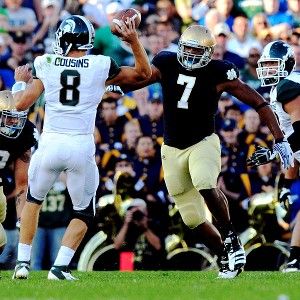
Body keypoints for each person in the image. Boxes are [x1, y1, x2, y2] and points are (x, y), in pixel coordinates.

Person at [119, 25, 293, 278]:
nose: (189, 54)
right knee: (191, 218)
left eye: (196, 50)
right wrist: (116, 87)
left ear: (209, 53)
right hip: (171, 149)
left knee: (204, 181)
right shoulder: (166, 62)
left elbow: (259, 102)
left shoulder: (218, 72)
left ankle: (232, 238)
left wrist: (279, 138)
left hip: (202, 142)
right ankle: (227, 257)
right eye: (186, 48)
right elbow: (142, 77)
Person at [11, 14, 151, 280]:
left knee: (33, 201)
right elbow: (144, 74)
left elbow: (20, 104)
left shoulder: (46, 62)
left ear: (64, 39)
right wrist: (133, 41)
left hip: (50, 143)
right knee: (84, 212)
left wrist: (20, 82)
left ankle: (22, 263)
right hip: (80, 146)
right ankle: (59, 268)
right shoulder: (101, 65)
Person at [247, 40, 300, 272]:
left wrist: (272, 152)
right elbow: (295, 149)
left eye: (273, 65)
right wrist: (288, 184)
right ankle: (296, 260)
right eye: (265, 65)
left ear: (286, 65)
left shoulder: (288, 88)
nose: (268, 70)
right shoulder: (280, 88)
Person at [0, 89, 37, 262]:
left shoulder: (24, 132)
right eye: (9, 117)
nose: (14, 122)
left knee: (1, 243)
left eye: (18, 118)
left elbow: (22, 184)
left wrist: (22, 219)